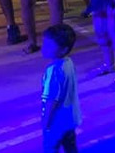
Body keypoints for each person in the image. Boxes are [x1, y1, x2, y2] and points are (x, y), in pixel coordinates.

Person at [41, 23, 82, 153]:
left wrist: (46, 122)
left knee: (50, 148)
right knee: (70, 147)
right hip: (70, 118)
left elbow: (51, 100)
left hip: (56, 122)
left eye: (49, 45)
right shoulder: (69, 63)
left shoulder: (53, 71)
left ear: (63, 49)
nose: (44, 48)